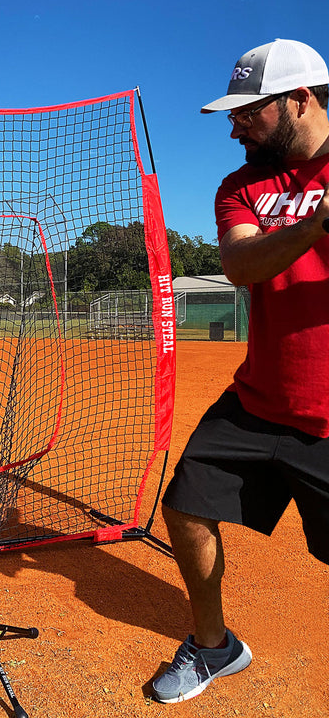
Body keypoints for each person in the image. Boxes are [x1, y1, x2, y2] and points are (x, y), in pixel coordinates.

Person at [152, 38, 329, 703]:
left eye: (247, 113)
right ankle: (213, 647)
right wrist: (316, 228)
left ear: (300, 100)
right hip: (258, 401)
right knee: (186, 509)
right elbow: (242, 265)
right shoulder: (243, 186)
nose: (234, 127)